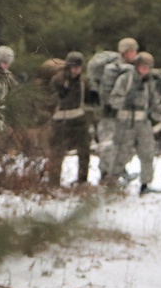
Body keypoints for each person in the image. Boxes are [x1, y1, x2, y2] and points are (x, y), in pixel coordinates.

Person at [109, 51, 161, 194]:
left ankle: (145, 183)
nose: (145, 70)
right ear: (136, 66)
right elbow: (113, 100)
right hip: (126, 122)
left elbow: (154, 102)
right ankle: (112, 183)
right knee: (122, 153)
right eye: (142, 66)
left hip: (143, 122)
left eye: (148, 67)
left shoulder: (149, 83)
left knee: (147, 152)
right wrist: (126, 101)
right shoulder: (125, 79)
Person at [44, 51, 91, 186]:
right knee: (57, 152)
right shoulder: (58, 80)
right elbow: (50, 99)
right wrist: (62, 92)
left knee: (84, 151)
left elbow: (89, 100)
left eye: (78, 67)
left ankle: (82, 180)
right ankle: (53, 181)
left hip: (79, 120)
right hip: (61, 121)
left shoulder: (83, 81)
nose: (76, 70)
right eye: (73, 66)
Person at [97, 37, 138, 183]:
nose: (134, 54)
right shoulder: (114, 68)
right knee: (108, 145)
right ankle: (105, 174)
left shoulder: (130, 68)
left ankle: (118, 171)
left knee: (123, 144)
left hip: (123, 113)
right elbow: (106, 92)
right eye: (131, 51)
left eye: (135, 51)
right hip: (110, 113)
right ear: (124, 52)